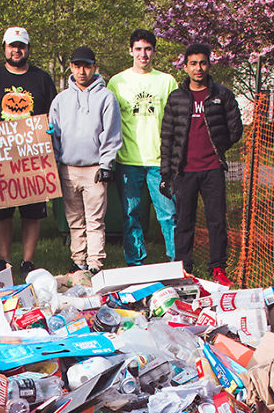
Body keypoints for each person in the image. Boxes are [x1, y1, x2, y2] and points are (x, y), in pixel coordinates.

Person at [159, 41, 243, 285]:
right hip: (184, 171)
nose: (198, 68)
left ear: (209, 65)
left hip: (212, 169)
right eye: (193, 63)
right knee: (183, 221)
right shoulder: (176, 98)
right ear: (185, 67)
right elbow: (167, 138)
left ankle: (217, 268)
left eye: (203, 63)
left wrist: (217, 147)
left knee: (216, 220)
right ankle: (183, 267)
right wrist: (166, 174)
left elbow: (235, 129)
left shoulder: (221, 95)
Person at [0, 27, 57, 275]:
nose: (16, 50)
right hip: (2, 156)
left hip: (33, 156)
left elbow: (52, 115)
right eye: (12, 45)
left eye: (21, 45)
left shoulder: (42, 79)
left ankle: (28, 260)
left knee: (32, 213)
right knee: (3, 213)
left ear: (28, 49)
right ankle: (4, 259)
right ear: (5, 48)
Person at [48, 46, 121, 273]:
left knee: (95, 220)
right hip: (68, 167)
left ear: (94, 67)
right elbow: (54, 132)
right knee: (74, 220)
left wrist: (106, 164)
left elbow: (111, 132)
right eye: (77, 66)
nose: (82, 71)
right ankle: (78, 261)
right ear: (71, 67)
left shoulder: (106, 97)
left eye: (87, 66)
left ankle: (95, 263)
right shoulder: (61, 100)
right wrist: (56, 159)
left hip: (94, 169)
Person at [107, 29, 177, 266]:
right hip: (128, 160)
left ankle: (176, 262)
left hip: (159, 162)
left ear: (154, 51)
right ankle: (135, 263)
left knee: (168, 215)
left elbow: (176, 120)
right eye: (138, 49)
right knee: (131, 215)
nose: (143, 54)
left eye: (147, 49)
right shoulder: (117, 82)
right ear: (130, 51)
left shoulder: (166, 81)